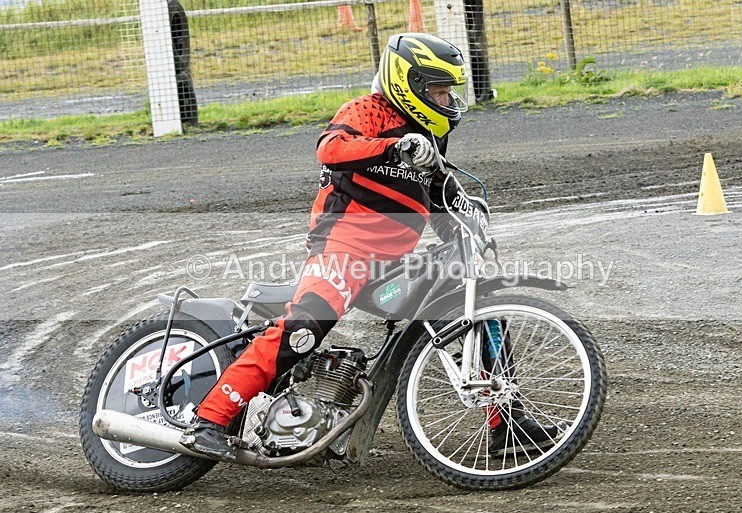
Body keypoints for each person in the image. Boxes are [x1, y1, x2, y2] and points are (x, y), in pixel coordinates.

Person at [180, 33, 557, 461]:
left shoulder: (429, 141)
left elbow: (439, 200)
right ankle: (207, 421)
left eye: (450, 89)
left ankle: (506, 423)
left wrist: (469, 220)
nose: (446, 98)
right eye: (437, 89)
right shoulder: (368, 110)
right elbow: (330, 148)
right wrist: (394, 146)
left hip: (390, 263)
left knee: (477, 309)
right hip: (342, 248)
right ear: (407, 82)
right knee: (303, 330)